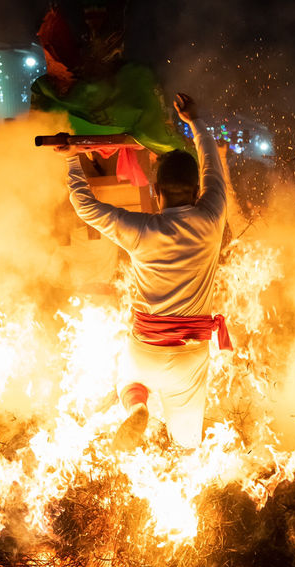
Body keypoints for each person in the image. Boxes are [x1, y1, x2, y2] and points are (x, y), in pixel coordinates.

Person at [57, 93, 231, 450]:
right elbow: (213, 165)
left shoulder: (141, 229)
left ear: (155, 189)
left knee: (129, 383)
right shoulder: (212, 217)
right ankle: (182, 457)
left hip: (146, 350)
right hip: (190, 353)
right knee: (187, 443)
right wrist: (194, 121)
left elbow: (85, 206)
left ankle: (138, 405)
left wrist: (72, 160)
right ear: (197, 191)